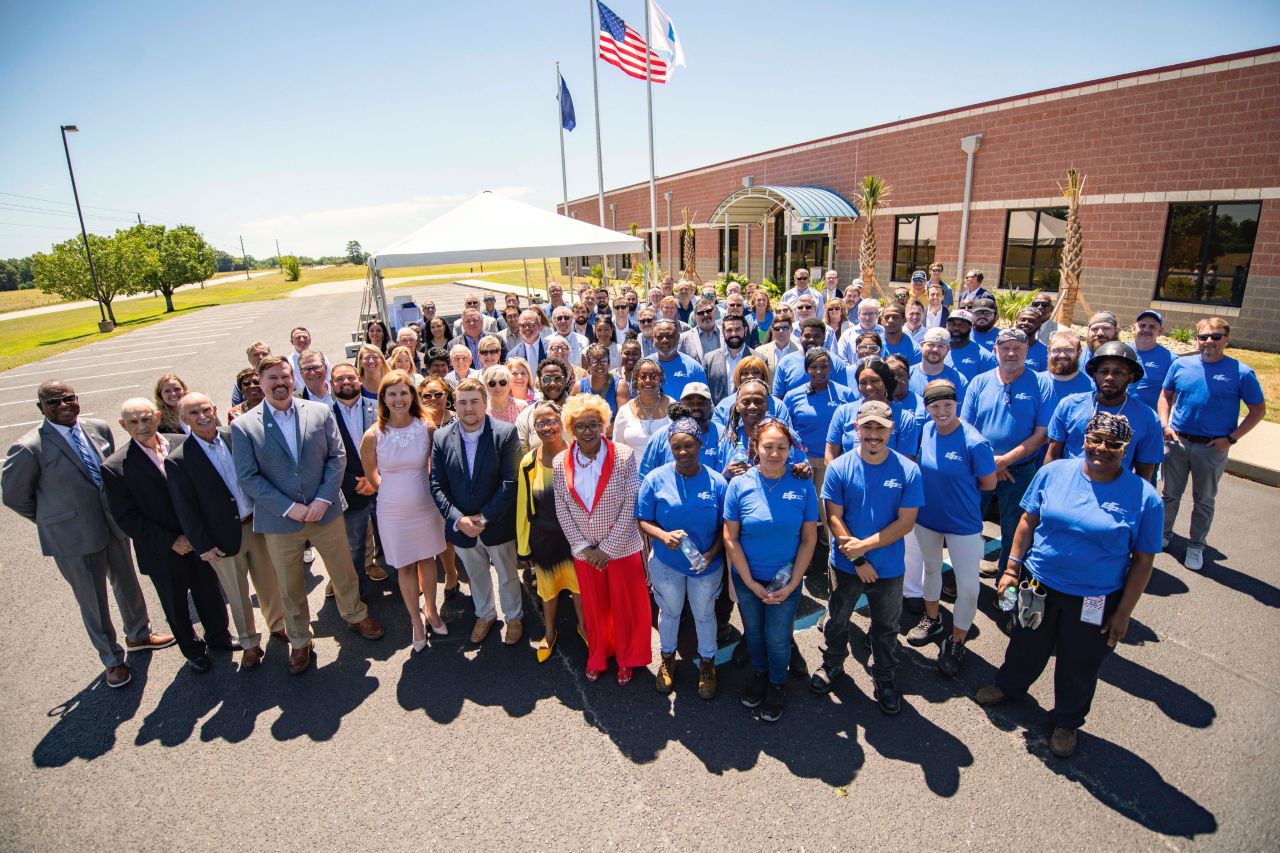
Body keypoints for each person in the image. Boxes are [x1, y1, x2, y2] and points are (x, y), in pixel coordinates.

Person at [978, 412, 1163, 758]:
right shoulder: (1053, 472)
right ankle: (1009, 686)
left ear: (1126, 449)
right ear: (1084, 440)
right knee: (1025, 641)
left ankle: (1067, 720)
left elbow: (1143, 561)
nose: (1102, 448)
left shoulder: (1144, 497)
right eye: (1095, 439)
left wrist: (1123, 613)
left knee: (1080, 661)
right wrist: (1010, 569)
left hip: (1094, 597)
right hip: (1039, 582)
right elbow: (1026, 522)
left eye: (1113, 443)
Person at [3, 381, 173, 687]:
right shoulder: (30, 447)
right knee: (92, 599)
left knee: (128, 582)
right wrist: (52, 520)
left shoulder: (97, 427)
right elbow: (14, 496)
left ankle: (139, 634)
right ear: (41, 408)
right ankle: (112, 659)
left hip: (112, 523)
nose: (64, 405)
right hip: (73, 537)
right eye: (54, 402)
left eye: (69, 398)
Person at [230, 355, 385, 675]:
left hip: (325, 511)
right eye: (272, 378)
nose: (280, 383)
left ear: (294, 379)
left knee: (343, 570)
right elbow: (248, 477)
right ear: (260, 383)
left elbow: (337, 457)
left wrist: (321, 499)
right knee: (289, 583)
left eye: (284, 376)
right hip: (280, 519)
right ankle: (300, 640)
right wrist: (290, 507)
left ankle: (356, 615)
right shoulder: (244, 426)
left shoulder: (320, 411)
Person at [810, 400, 925, 715]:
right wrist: (858, 559)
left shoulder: (908, 470)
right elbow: (833, 516)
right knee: (837, 620)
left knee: (886, 627)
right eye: (868, 427)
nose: (873, 434)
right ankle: (832, 664)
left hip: (888, 568)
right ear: (857, 428)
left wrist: (866, 548)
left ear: (891, 430)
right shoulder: (839, 467)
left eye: (880, 428)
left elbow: (906, 522)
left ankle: (885, 677)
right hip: (846, 564)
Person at [102, 399, 231, 674]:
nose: (142, 426)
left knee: (210, 593)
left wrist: (199, 534)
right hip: (162, 551)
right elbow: (127, 517)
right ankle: (193, 651)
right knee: (176, 605)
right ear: (123, 426)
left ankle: (219, 637)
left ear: (158, 417)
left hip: (199, 539)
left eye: (147, 418)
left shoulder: (182, 442)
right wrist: (171, 541)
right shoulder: (115, 466)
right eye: (134, 422)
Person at [167, 392, 286, 671]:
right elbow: (186, 509)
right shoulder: (179, 459)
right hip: (221, 538)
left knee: (269, 582)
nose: (202, 416)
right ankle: (249, 643)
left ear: (215, 409)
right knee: (237, 593)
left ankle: (278, 624)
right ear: (184, 419)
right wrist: (202, 544)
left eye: (205, 409)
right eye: (194, 413)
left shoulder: (235, 436)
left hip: (257, 525)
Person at [723, 419, 818, 722]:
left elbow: (808, 538)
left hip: (785, 581)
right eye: (768, 446)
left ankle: (778, 683)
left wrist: (793, 584)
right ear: (755, 447)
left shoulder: (802, 485)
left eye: (781, 447)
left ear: (791, 450)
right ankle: (760, 674)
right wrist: (748, 581)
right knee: (754, 632)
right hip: (748, 577)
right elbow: (730, 536)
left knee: (777, 637)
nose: (775, 453)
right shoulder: (739, 485)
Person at [552, 395, 650, 684]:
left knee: (627, 607)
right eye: (580, 426)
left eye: (594, 424)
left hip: (621, 548)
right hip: (584, 551)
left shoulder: (623, 455)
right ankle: (598, 655)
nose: (587, 431)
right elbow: (562, 506)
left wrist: (606, 548)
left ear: (604, 425)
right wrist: (583, 547)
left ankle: (627, 658)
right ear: (571, 428)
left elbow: (631, 502)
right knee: (595, 609)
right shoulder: (560, 462)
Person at [1160, 317, 1266, 571]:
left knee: (1204, 500)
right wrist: (1165, 425)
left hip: (1212, 448)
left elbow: (1258, 410)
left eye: (1216, 337)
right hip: (1178, 442)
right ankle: (1162, 535)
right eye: (1203, 337)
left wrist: (1231, 438)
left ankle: (1196, 546)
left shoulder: (1241, 373)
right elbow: (1165, 395)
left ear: (1226, 339)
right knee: (1169, 495)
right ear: (1197, 339)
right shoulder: (1181, 365)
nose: (1209, 341)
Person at [907, 381, 997, 676]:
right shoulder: (926, 430)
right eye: (935, 406)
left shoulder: (974, 442)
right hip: (927, 520)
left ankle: (957, 640)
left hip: (963, 525)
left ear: (956, 404)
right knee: (930, 571)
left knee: (969, 587)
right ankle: (933, 620)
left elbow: (989, 483)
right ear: (927, 407)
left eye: (947, 405)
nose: (942, 411)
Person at [638, 415, 728, 698]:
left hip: (706, 567)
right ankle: (667, 659)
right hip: (667, 564)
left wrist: (711, 555)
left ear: (700, 444)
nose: (683, 452)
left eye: (689, 445)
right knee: (670, 612)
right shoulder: (655, 479)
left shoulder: (716, 482)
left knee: (704, 614)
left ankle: (708, 663)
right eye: (677, 447)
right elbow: (642, 519)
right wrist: (663, 536)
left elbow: (726, 526)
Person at [430, 378, 524, 645]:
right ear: (455, 405)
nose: (468, 408)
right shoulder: (440, 437)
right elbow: (436, 483)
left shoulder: (505, 433)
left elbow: (511, 481)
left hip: (496, 522)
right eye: (462, 402)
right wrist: (459, 519)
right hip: (461, 527)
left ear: (485, 403)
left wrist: (484, 518)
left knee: (507, 574)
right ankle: (485, 615)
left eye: (474, 401)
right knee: (476, 575)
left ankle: (514, 617)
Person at [359, 371, 448, 652]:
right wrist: (389, 490)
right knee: (406, 566)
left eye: (404, 393)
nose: (399, 399)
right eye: (392, 394)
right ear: (383, 398)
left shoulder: (427, 427)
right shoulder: (374, 435)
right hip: (393, 511)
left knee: (428, 560)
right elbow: (370, 475)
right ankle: (416, 621)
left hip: (425, 506)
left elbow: (437, 467)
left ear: (413, 396)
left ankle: (432, 610)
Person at [961, 329, 1054, 578]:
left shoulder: (1041, 383)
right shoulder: (979, 382)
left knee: (1015, 530)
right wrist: (989, 464)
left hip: (1020, 472)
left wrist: (1004, 461)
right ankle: (963, 579)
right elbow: (966, 428)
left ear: (1027, 351)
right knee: (968, 526)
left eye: (1018, 348)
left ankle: (1006, 580)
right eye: (1005, 348)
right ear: (995, 351)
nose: (1011, 353)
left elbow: (1041, 434)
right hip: (979, 469)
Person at [516, 400, 585, 663]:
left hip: (576, 539)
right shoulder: (528, 462)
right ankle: (548, 631)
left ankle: (584, 627)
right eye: (541, 422)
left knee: (579, 588)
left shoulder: (578, 455)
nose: (547, 427)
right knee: (548, 589)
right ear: (535, 428)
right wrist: (524, 549)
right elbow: (524, 507)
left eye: (552, 420)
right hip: (544, 538)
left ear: (561, 423)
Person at [1046, 342, 1163, 480]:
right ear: (1094, 375)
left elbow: (1145, 473)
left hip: (1116, 494)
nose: (1109, 377)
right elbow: (1053, 455)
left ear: (1130, 378)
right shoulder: (1069, 405)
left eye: (1118, 372)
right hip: (1069, 487)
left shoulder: (1148, 418)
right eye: (1104, 371)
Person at [826, 357, 920, 460]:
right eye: (863, 383)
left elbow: (905, 460)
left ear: (886, 382)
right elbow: (830, 453)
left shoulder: (905, 419)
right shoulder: (844, 412)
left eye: (875, 381)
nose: (869, 387)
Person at [613, 358, 672, 458]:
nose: (648, 380)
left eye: (653, 377)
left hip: (666, 472)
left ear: (660, 379)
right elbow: (616, 450)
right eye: (643, 377)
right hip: (633, 473)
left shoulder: (673, 407)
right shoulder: (624, 411)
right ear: (636, 380)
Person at [774, 318, 850, 397]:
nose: (811, 339)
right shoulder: (786, 362)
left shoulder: (836, 362)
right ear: (801, 336)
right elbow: (778, 397)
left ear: (824, 337)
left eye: (816, 336)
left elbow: (843, 394)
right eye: (807, 336)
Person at [518, 358, 571, 452]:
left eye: (558, 378)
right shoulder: (527, 415)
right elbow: (522, 453)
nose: (553, 383)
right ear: (539, 382)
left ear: (565, 380)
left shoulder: (579, 411)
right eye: (546, 379)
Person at [1039, 330, 1095, 414]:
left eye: (1069, 350)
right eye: (1056, 350)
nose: (1062, 355)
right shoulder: (1034, 382)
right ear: (1049, 352)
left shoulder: (1092, 387)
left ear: (1079, 353)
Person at [910, 327, 970, 405]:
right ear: (922, 345)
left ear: (948, 350)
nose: (935, 349)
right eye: (931, 344)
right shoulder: (907, 375)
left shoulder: (959, 380)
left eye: (941, 346)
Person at [651, 319, 708, 401]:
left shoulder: (694, 368)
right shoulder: (643, 366)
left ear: (678, 337)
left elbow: (704, 402)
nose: (664, 340)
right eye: (659, 337)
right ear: (653, 338)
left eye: (669, 336)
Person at [1128, 310, 1174, 413]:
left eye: (1152, 327)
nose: (1146, 329)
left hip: (1149, 419)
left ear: (1160, 331)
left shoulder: (1171, 360)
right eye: (1142, 325)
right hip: (1117, 415)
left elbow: (1171, 396)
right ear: (1134, 328)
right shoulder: (1121, 352)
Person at [702, 313, 751, 404]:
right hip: (718, 415)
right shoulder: (709, 359)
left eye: (737, 329)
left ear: (745, 330)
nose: (733, 334)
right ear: (723, 332)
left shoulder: (758, 359)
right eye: (729, 330)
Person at [944, 310, 996, 383]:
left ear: (971, 327)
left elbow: (990, 384)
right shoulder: (937, 350)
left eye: (962, 325)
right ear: (946, 326)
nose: (956, 328)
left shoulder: (984, 356)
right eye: (952, 324)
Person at [579, 343, 622, 419]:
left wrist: (602, 430)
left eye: (604, 361)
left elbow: (623, 418)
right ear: (588, 364)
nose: (599, 365)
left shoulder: (620, 385)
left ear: (609, 363)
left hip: (614, 430)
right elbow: (572, 416)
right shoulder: (579, 386)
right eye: (594, 361)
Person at [231, 342, 270, 407]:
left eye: (264, 354)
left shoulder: (280, 377)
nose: (261, 357)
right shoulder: (242, 383)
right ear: (249, 359)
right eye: (256, 355)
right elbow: (236, 409)